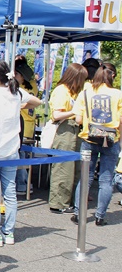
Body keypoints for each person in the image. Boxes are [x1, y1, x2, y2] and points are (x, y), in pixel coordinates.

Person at [0, 60, 41, 247]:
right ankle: (9, 232)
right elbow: (37, 101)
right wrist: (19, 107)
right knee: (10, 192)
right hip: (11, 149)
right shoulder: (16, 93)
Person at [72, 62, 122, 227]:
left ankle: (78, 214)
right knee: (106, 180)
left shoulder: (86, 93)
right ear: (111, 76)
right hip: (111, 139)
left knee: (85, 178)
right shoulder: (118, 94)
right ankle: (100, 217)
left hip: (89, 138)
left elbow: (78, 119)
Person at [47, 63, 88, 213]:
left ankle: (68, 201)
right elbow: (56, 115)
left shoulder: (74, 92)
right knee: (63, 168)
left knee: (73, 169)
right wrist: (74, 111)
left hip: (74, 130)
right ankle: (58, 203)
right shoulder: (61, 91)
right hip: (64, 131)